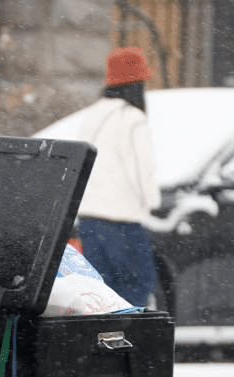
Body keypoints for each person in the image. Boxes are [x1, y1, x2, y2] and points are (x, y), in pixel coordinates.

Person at [74, 46, 161, 308]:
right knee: (138, 284)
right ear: (137, 83)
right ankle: (128, 342)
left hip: (89, 222)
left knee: (102, 291)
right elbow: (141, 169)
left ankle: (101, 342)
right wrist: (152, 203)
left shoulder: (92, 115)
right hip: (122, 224)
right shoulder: (132, 118)